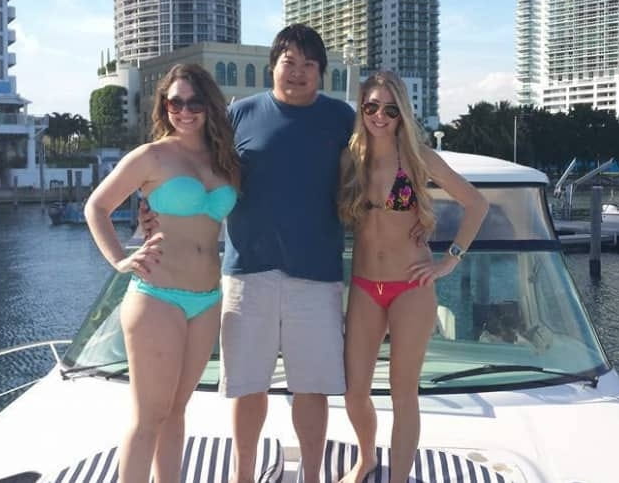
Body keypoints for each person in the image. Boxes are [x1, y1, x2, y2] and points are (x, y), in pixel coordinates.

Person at [141, 24, 355, 483]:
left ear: (321, 71)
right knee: (247, 386)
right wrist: (153, 209)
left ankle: (312, 476)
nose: (297, 72)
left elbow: (381, 172)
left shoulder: (343, 119)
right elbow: (194, 172)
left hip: (316, 276)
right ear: (272, 65)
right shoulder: (238, 116)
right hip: (246, 274)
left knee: (312, 388)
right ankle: (243, 475)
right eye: (289, 62)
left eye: (308, 65)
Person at [85, 63, 240, 483]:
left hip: (207, 299)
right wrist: (120, 259)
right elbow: (96, 207)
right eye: (175, 102)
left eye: (194, 102)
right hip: (158, 297)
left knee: (176, 412)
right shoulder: (151, 156)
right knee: (148, 416)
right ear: (164, 105)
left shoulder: (225, 159)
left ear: (209, 105)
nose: (184, 111)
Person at [337, 71, 488, 483]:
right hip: (366, 286)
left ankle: (398, 479)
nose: (380, 116)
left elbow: (476, 204)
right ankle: (366, 458)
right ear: (362, 109)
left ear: (401, 112)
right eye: (371, 107)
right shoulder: (351, 158)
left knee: (403, 394)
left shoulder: (418, 157)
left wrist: (450, 260)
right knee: (355, 393)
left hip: (411, 287)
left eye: (389, 109)